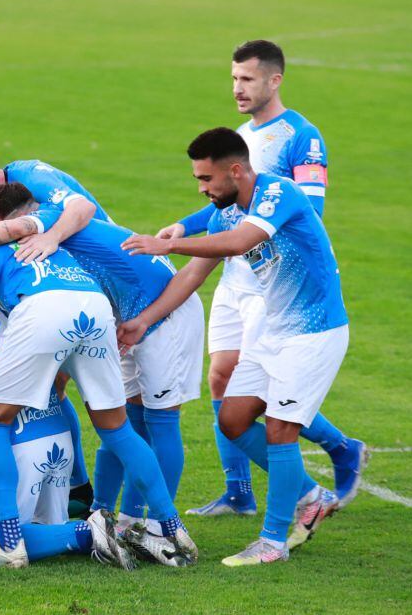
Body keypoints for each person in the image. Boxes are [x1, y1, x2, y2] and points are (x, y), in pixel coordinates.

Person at [155, 40, 367, 517]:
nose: (237, 88)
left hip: (270, 279)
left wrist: (239, 237)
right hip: (235, 270)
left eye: (247, 79)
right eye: (233, 78)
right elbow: (224, 200)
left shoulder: (302, 136)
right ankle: (238, 492)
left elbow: (307, 210)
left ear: (275, 80)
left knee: (260, 388)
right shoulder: (237, 136)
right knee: (220, 377)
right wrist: (186, 225)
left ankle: (338, 449)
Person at [122, 127, 346, 566]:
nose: (202, 189)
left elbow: (243, 243)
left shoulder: (278, 194)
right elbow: (192, 275)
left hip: (314, 333)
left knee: (282, 429)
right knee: (233, 419)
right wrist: (143, 323)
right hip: (273, 332)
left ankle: (272, 543)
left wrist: (167, 243)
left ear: (236, 170)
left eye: (206, 179)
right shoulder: (225, 214)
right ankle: (312, 496)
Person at [0, 181, 204, 541]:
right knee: (118, 427)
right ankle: (168, 527)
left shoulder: (40, 220)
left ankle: (8, 540)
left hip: (148, 312)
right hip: (98, 307)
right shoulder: (59, 247)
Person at [0, 143, 107, 512]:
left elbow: (83, 207)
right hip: (80, 290)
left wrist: (51, 237)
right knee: (58, 388)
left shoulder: (29, 173)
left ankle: (127, 511)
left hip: (103, 287)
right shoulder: (8, 202)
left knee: (137, 414)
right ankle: (82, 489)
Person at [0, 259, 131, 568]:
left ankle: (88, 531)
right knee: (46, 531)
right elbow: (62, 376)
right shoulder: (16, 305)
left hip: (17, 447)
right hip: (57, 435)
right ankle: (87, 531)